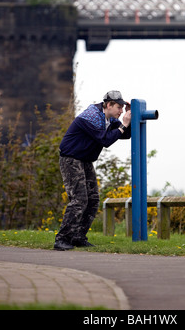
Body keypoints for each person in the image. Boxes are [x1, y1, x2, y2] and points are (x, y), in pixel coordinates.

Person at [54, 90, 131, 251]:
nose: (120, 111)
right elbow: (105, 140)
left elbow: (124, 135)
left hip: (85, 159)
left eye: (123, 108)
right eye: (119, 107)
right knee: (79, 199)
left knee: (93, 199)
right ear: (108, 105)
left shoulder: (109, 119)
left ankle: (77, 237)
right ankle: (62, 239)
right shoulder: (92, 116)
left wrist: (130, 117)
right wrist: (123, 124)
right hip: (71, 158)